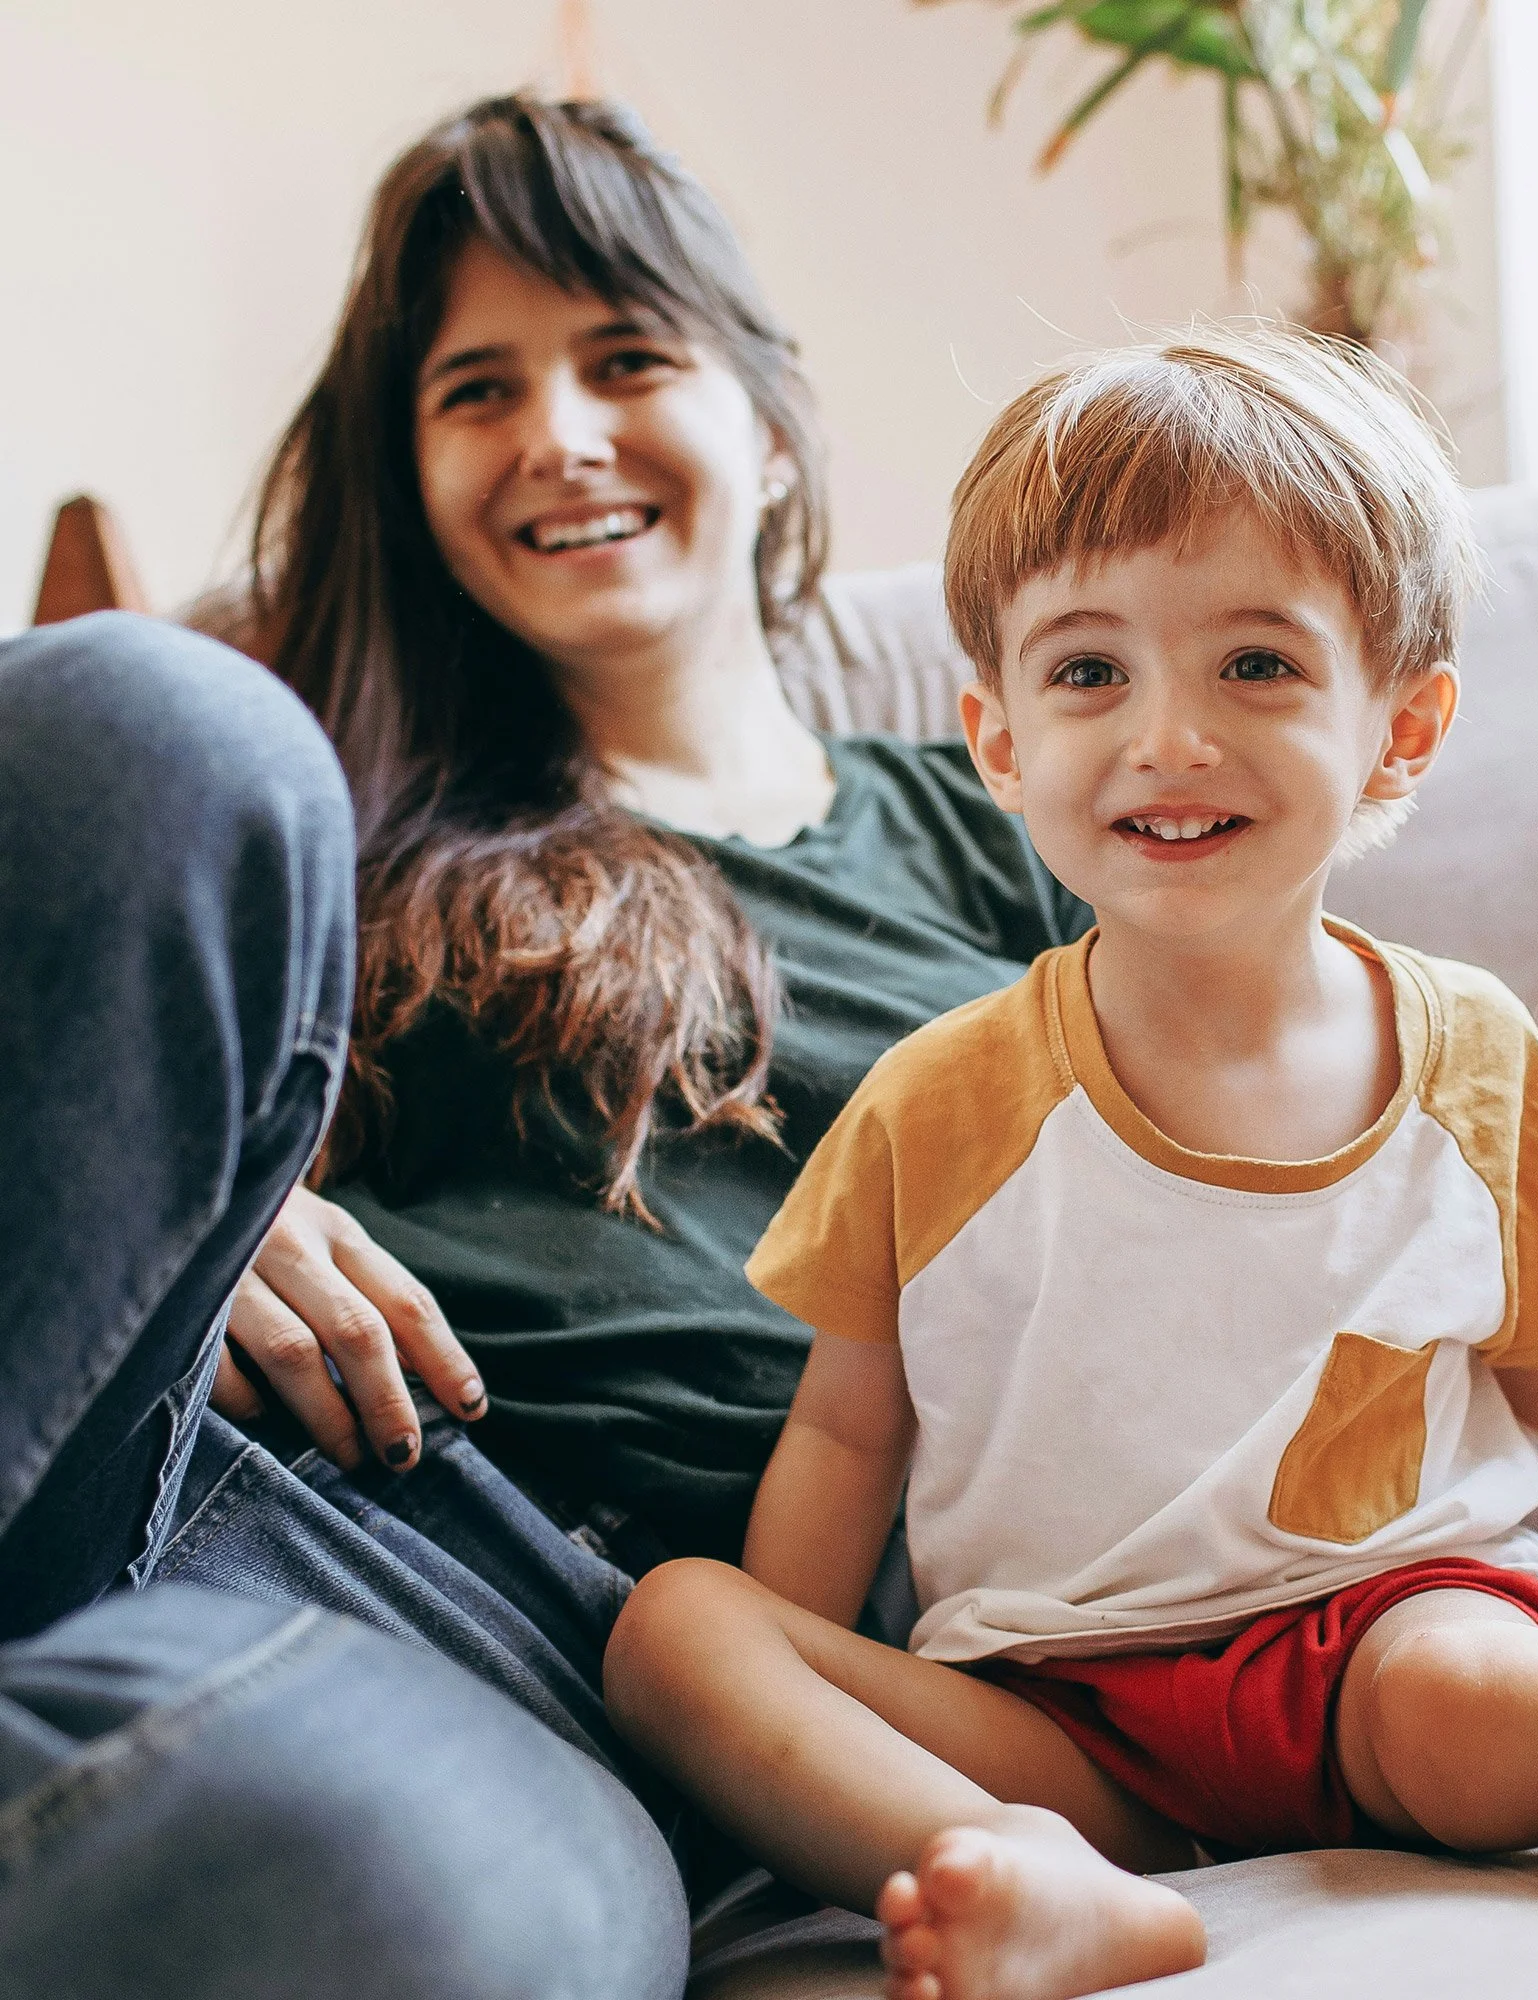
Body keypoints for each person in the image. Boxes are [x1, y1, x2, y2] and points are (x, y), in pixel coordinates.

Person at [600, 326, 1538, 2000]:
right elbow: (844, 1430)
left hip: (1388, 1632)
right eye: (1088, 672)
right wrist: (808, 1701)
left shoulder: (1469, 1054)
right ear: (995, 739)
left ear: (1401, 729)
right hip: (1056, 1715)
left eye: (1255, 667)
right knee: (677, 1625)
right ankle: (1042, 1886)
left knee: (1484, 1699)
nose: (1167, 736)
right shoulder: (934, 1103)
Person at [2, 86, 1096, 1992]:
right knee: (165, 729)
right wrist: (207, 1207)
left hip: (605, 1689)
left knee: (370, 1886)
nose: (559, 436)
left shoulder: (1019, 837)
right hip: (232, 1468)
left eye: (623, 356)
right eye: (477, 389)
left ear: (765, 416)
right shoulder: (339, 816)